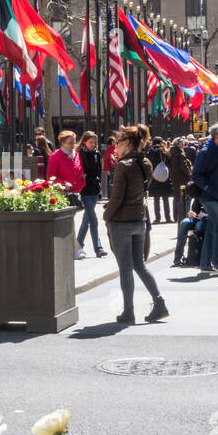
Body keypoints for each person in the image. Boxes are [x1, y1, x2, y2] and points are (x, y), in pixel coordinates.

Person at [103, 125, 167, 323]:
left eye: (119, 143)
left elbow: (117, 198)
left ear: (128, 143)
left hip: (122, 221)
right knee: (140, 265)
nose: (116, 147)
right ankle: (159, 302)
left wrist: (106, 216)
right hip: (140, 219)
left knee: (125, 268)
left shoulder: (124, 166)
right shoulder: (145, 162)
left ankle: (128, 311)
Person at [193, 123, 218, 275]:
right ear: (216, 137)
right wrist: (208, 188)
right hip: (209, 197)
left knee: (211, 229)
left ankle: (205, 264)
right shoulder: (205, 152)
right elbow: (196, 175)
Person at [75, 131, 106, 259]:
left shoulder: (97, 154)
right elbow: (81, 171)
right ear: (84, 142)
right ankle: (98, 248)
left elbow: (98, 172)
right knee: (93, 220)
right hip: (85, 189)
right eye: (90, 142)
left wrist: (100, 191)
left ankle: (78, 245)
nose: (93, 144)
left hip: (94, 188)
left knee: (86, 220)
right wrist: (86, 175)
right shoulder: (80, 154)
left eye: (94, 142)